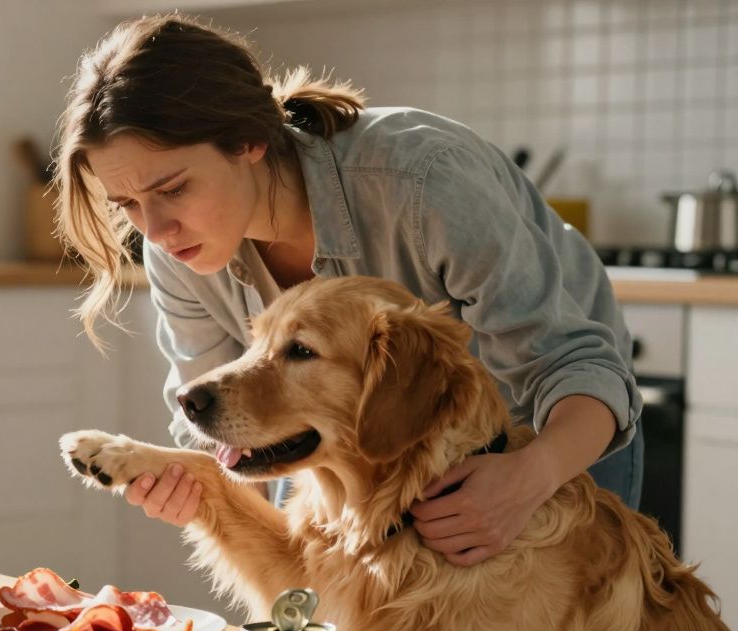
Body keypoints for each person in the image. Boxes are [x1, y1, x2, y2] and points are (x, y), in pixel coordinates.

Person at [52, 13, 643, 567]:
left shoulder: (424, 179)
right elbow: (219, 416)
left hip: (547, 442)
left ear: (248, 141)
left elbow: (575, 366)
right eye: (127, 204)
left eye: (173, 188)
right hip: (333, 452)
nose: (153, 230)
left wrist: (526, 479)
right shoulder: (176, 248)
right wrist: (194, 482)